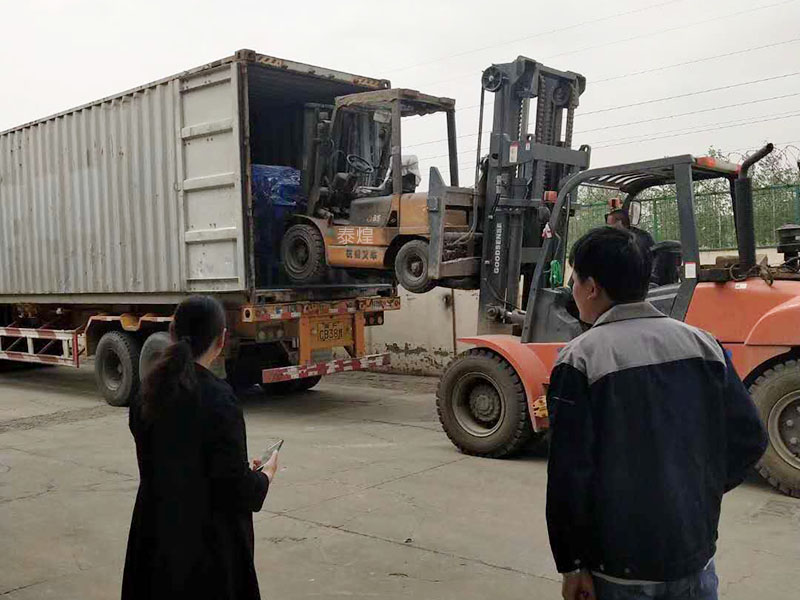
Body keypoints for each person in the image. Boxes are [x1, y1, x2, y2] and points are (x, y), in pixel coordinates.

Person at [546, 227, 767, 600]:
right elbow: (751, 439)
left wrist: (572, 565)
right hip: (695, 559)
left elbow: (569, 475)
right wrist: (699, 489)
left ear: (592, 287)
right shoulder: (704, 344)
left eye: (575, 280)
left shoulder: (580, 358)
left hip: (619, 570)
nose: (574, 291)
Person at [122, 296, 277, 600]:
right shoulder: (219, 399)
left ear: (172, 332)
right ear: (222, 340)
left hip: (154, 538)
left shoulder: (147, 393)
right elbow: (236, 488)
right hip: (207, 551)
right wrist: (265, 475)